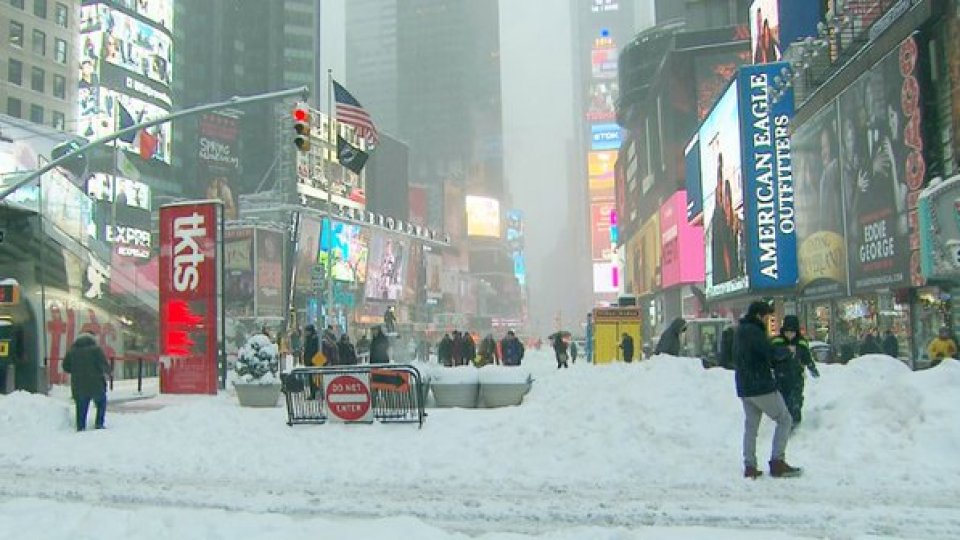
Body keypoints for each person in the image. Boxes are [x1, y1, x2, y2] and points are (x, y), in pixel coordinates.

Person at [734, 301, 799, 479]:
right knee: (785, 419)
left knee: (751, 426)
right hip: (760, 384)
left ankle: (750, 465)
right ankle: (777, 461)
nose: (767, 320)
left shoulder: (740, 331)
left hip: (745, 386)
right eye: (766, 316)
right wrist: (786, 352)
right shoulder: (755, 332)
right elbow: (768, 352)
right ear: (758, 315)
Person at [770, 316, 820, 428]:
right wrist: (787, 351)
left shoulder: (801, 342)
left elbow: (807, 357)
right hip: (781, 376)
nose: (789, 334)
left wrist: (812, 367)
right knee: (784, 399)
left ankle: (795, 419)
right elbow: (772, 357)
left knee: (796, 397)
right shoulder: (777, 342)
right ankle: (785, 421)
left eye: (792, 332)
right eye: (787, 331)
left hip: (797, 376)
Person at [62, 334, 111, 431]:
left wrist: (76, 370)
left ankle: (81, 426)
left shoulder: (72, 351)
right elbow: (104, 365)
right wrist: (107, 371)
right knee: (101, 402)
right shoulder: (96, 350)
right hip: (96, 383)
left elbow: (65, 367)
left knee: (81, 405)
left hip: (78, 384)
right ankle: (99, 423)